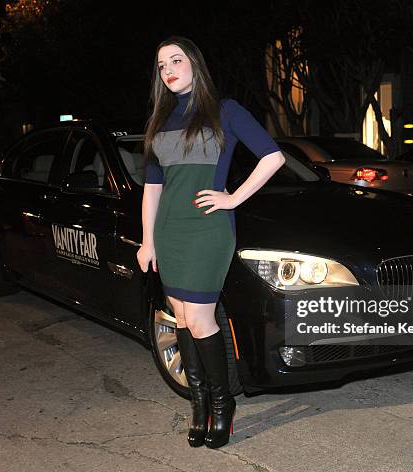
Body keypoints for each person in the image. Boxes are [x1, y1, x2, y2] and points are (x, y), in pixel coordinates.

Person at [136, 35, 285, 449]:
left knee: (201, 320)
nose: (168, 69)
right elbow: (152, 188)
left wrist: (234, 197)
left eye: (176, 60)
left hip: (207, 230)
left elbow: (273, 157)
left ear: (195, 63)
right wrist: (148, 241)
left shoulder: (225, 111)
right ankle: (198, 405)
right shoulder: (159, 120)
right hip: (169, 231)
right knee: (181, 318)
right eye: (161, 64)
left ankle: (223, 405)